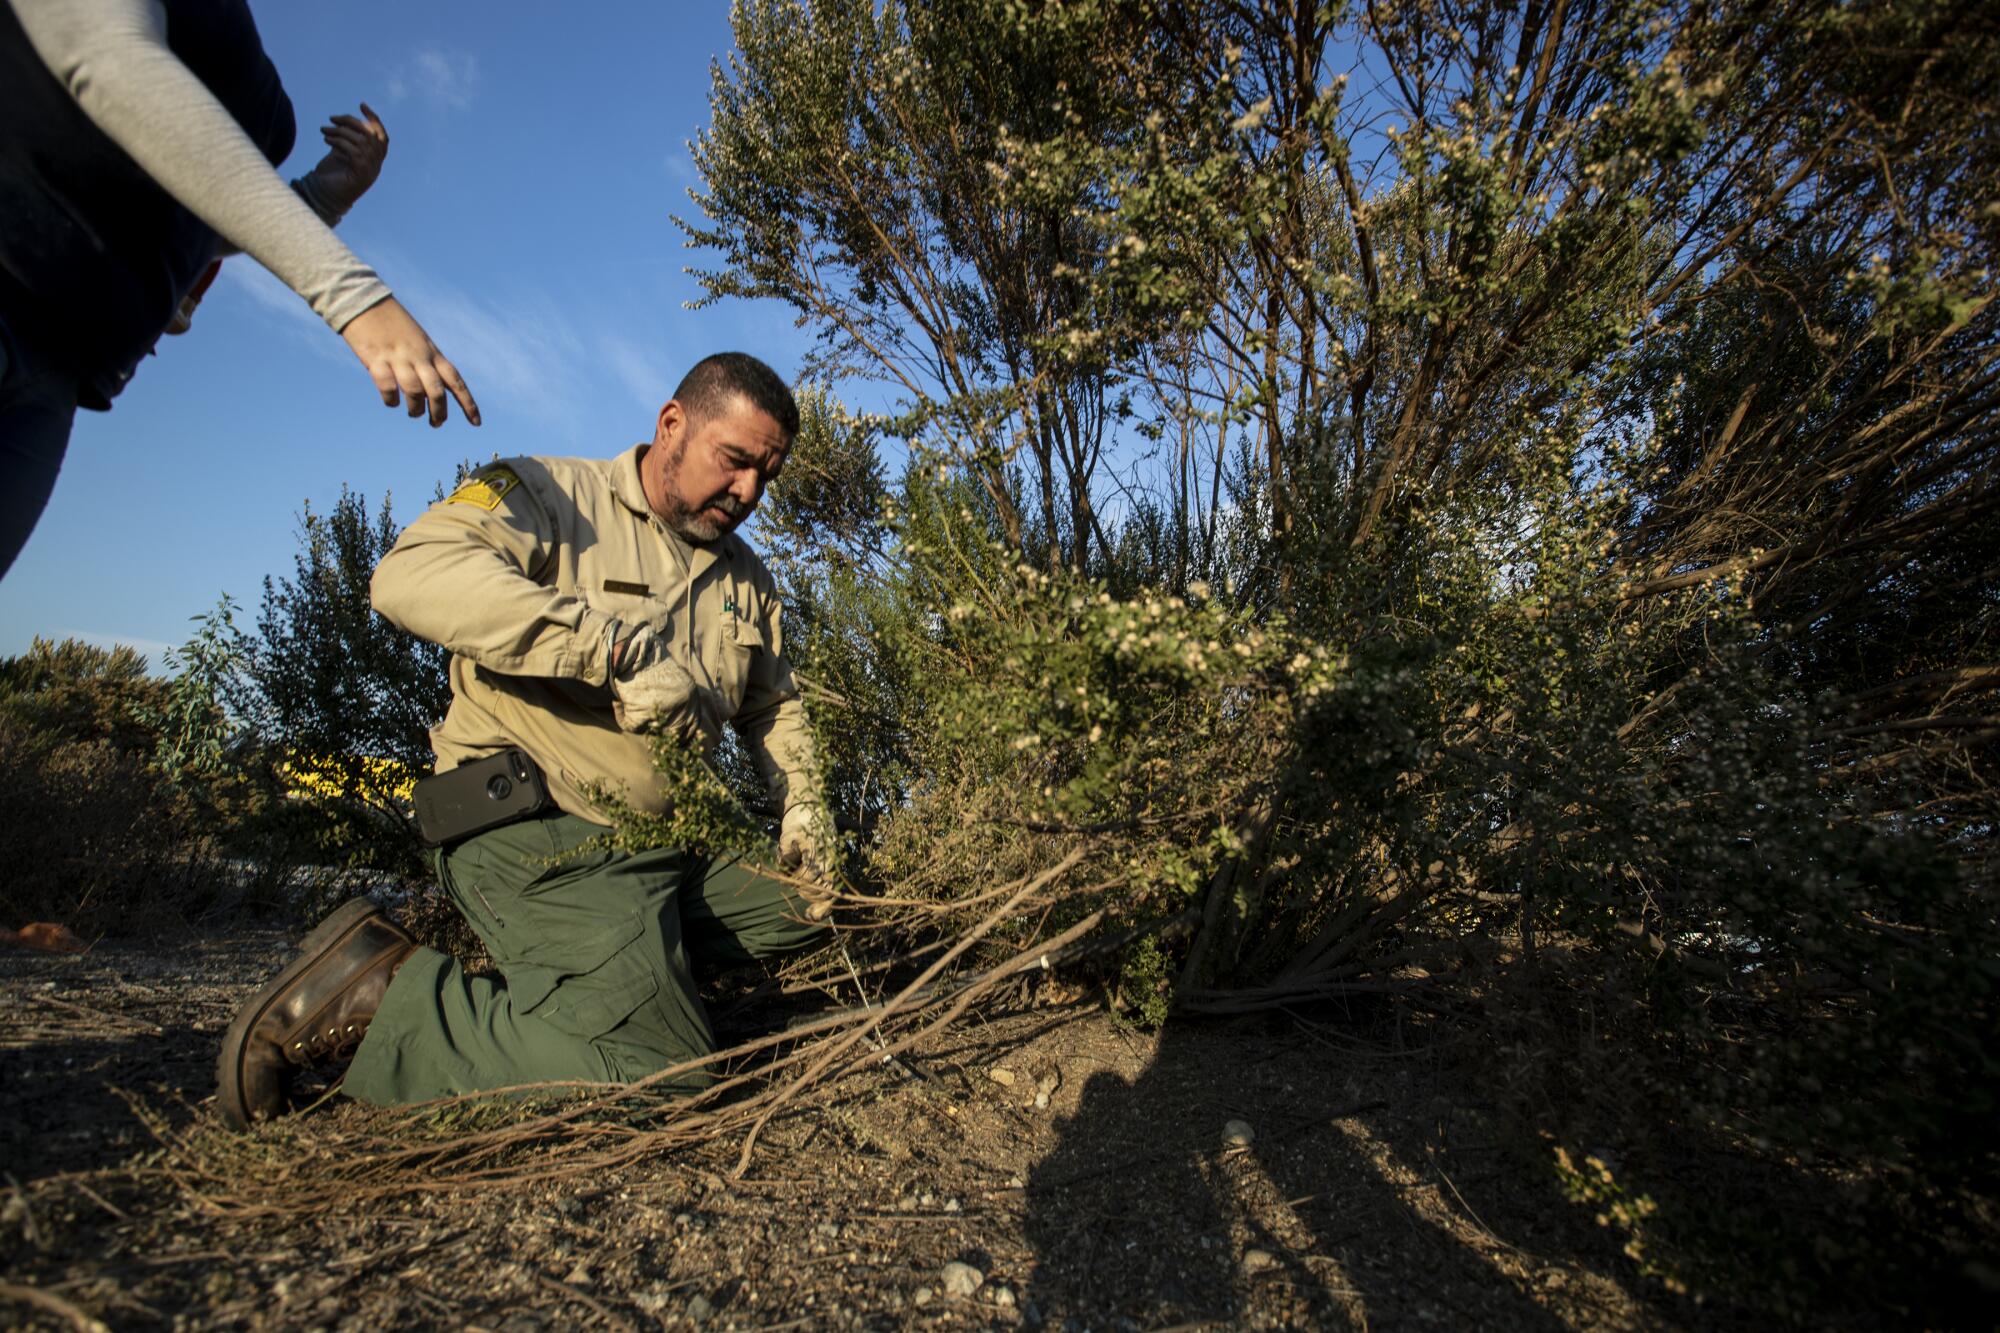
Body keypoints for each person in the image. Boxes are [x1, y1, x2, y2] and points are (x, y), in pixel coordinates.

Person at [216, 352, 835, 1127]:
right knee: (661, 1077)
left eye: (766, 476)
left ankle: (623, 980)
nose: (749, 493)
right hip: (540, 828)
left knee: (825, 907)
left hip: (668, 846)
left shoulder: (747, 576)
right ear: (672, 425)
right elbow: (410, 574)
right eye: (736, 461)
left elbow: (774, 707)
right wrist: (610, 649)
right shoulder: (547, 495)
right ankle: (387, 991)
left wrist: (805, 807)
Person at [0, 0, 480, 579]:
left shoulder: (258, 80)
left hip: (60, 371)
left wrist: (328, 193)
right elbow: (107, 61)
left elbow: (198, 224)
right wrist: (355, 298)